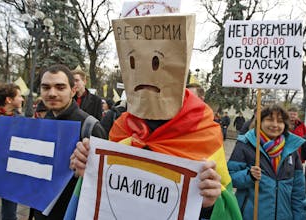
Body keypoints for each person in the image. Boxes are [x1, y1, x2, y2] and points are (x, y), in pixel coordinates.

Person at [70, 14, 241, 219]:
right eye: (133, 63)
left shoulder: (205, 133)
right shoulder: (122, 127)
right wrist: (86, 172)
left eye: (156, 63)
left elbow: (225, 203)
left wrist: (210, 204)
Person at [32, 64, 108, 220]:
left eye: (60, 87)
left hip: (72, 212)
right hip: (41, 210)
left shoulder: (90, 126)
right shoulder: (41, 122)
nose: (52, 93)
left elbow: (103, 182)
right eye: (46, 87)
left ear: (73, 91)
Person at [228, 104, 306, 220]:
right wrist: (249, 176)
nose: (275, 125)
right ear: (260, 122)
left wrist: (299, 217)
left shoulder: (292, 149)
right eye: (269, 120)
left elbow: (298, 191)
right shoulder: (245, 145)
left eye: (280, 121)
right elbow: (230, 177)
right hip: (251, 216)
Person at [0, 83, 24, 220]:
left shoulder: (20, 120)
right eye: (19, 96)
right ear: (9, 100)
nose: (22, 99)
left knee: (10, 214)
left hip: (10, 171)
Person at [287, 106, 306, 212]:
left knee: (297, 178)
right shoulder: (283, 124)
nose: (292, 116)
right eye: (291, 114)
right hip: (286, 155)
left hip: (299, 156)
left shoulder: (302, 126)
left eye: (294, 114)